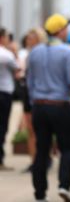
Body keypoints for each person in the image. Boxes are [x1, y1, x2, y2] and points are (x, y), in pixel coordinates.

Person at [27, 14, 70, 201]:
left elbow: (30, 81)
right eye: (66, 28)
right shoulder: (68, 52)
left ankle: (40, 194)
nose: (68, 31)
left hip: (39, 106)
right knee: (67, 148)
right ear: (59, 30)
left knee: (41, 149)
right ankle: (64, 185)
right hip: (60, 106)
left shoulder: (35, 51)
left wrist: (36, 97)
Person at [18, 28, 48, 173]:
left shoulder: (43, 53)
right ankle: (34, 160)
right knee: (30, 130)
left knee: (41, 130)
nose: (28, 40)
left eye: (31, 38)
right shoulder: (26, 54)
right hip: (28, 92)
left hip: (40, 95)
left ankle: (42, 159)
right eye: (28, 38)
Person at [0, 27, 19, 171]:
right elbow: (18, 70)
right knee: (2, 126)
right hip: (4, 93)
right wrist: (15, 52)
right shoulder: (6, 55)